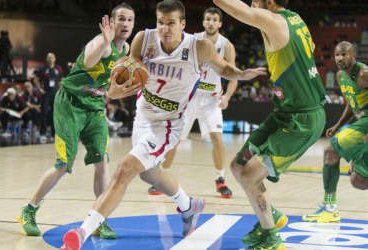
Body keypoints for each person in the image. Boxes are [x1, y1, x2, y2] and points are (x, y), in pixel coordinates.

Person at [59, 1, 267, 249]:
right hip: (143, 115)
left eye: (170, 23)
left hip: (168, 125)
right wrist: (112, 91)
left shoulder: (199, 47)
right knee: (148, 173)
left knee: (125, 169)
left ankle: (81, 233)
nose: (164, 29)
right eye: (160, 22)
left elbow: (225, 69)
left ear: (182, 24)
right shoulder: (143, 39)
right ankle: (189, 206)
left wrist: (243, 74)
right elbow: (126, 69)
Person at [17, 3, 141, 239]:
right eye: (121, 19)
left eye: (130, 20)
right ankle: (29, 209)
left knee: (102, 162)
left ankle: (99, 219)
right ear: (112, 23)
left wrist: (113, 93)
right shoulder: (99, 43)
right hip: (70, 104)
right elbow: (89, 63)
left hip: (94, 107)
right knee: (64, 163)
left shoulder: (125, 50)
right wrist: (104, 42)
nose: (125, 24)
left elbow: (109, 89)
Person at [213, 0, 326, 249]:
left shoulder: (275, 21)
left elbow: (234, 9)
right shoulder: (294, 18)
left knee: (251, 175)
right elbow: (312, 46)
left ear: (270, 2)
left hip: (302, 119)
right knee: (237, 166)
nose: (252, 4)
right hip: (284, 112)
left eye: (255, 1)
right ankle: (271, 215)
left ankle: (271, 239)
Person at [147, 7, 237, 198]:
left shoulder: (226, 46)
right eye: (208, 19)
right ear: (203, 22)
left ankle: (220, 180)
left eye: (215, 19)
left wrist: (227, 96)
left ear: (220, 23)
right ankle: (160, 176)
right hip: (189, 97)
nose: (211, 22)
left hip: (211, 100)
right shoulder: (191, 40)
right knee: (175, 140)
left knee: (217, 139)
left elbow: (234, 76)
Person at [303, 42, 368, 223]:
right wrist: (339, 125)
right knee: (358, 182)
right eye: (337, 54)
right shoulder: (340, 76)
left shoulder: (363, 74)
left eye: (345, 54)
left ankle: (329, 209)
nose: (340, 58)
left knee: (330, 152)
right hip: (361, 122)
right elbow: (351, 103)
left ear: (353, 56)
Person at [33, 52, 64, 143]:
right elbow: (36, 80)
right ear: (47, 59)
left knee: (55, 114)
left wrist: (60, 89)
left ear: (55, 59)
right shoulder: (43, 69)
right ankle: (43, 134)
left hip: (55, 94)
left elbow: (62, 80)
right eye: (49, 58)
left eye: (52, 58)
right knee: (44, 113)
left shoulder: (59, 69)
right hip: (45, 94)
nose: (50, 59)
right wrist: (40, 90)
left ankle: (54, 134)